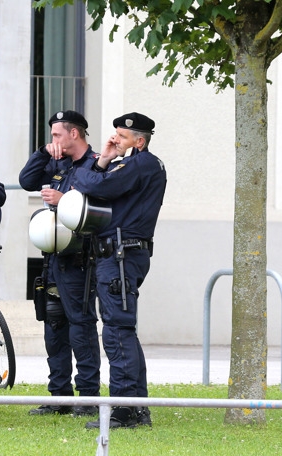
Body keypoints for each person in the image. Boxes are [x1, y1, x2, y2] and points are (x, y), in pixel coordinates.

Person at [71, 112, 166, 429]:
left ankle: (123, 410)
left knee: (116, 332)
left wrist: (102, 161)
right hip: (121, 254)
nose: (114, 140)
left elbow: (86, 184)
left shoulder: (139, 164)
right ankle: (137, 408)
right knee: (124, 330)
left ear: (139, 141)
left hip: (121, 256)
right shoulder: (134, 164)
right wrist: (107, 158)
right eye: (114, 135)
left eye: (121, 137)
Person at [19, 110, 102, 417]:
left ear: (74, 134)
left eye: (56, 135)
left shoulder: (96, 164)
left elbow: (96, 204)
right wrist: (43, 152)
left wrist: (62, 197)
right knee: (54, 325)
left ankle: (88, 396)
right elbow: (26, 180)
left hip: (80, 259)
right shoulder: (56, 162)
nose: (53, 140)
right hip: (53, 258)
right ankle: (59, 396)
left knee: (80, 327)